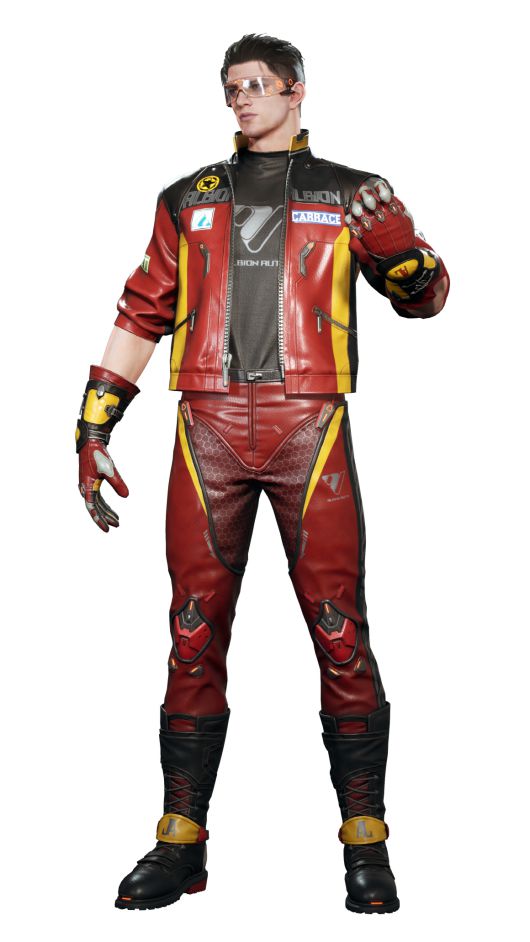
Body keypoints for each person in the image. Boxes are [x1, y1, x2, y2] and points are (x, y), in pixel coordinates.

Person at [75, 32, 449, 914]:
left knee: (339, 629)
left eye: (257, 84)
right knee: (192, 632)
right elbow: (143, 309)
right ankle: (180, 840)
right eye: (231, 87)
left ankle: (367, 841)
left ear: (296, 90)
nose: (242, 98)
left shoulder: (352, 193)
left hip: (307, 427)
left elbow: (427, 299)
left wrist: (405, 252)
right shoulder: (186, 199)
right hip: (205, 429)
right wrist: (92, 426)